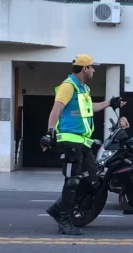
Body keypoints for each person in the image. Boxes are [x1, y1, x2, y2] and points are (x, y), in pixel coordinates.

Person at [39, 54, 126, 235]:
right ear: (85, 68)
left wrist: (110, 103)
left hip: (83, 143)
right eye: (92, 67)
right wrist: (49, 132)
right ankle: (65, 221)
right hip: (70, 141)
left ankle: (57, 208)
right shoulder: (68, 86)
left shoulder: (83, 88)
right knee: (72, 181)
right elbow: (56, 109)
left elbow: (90, 108)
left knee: (93, 180)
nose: (94, 70)